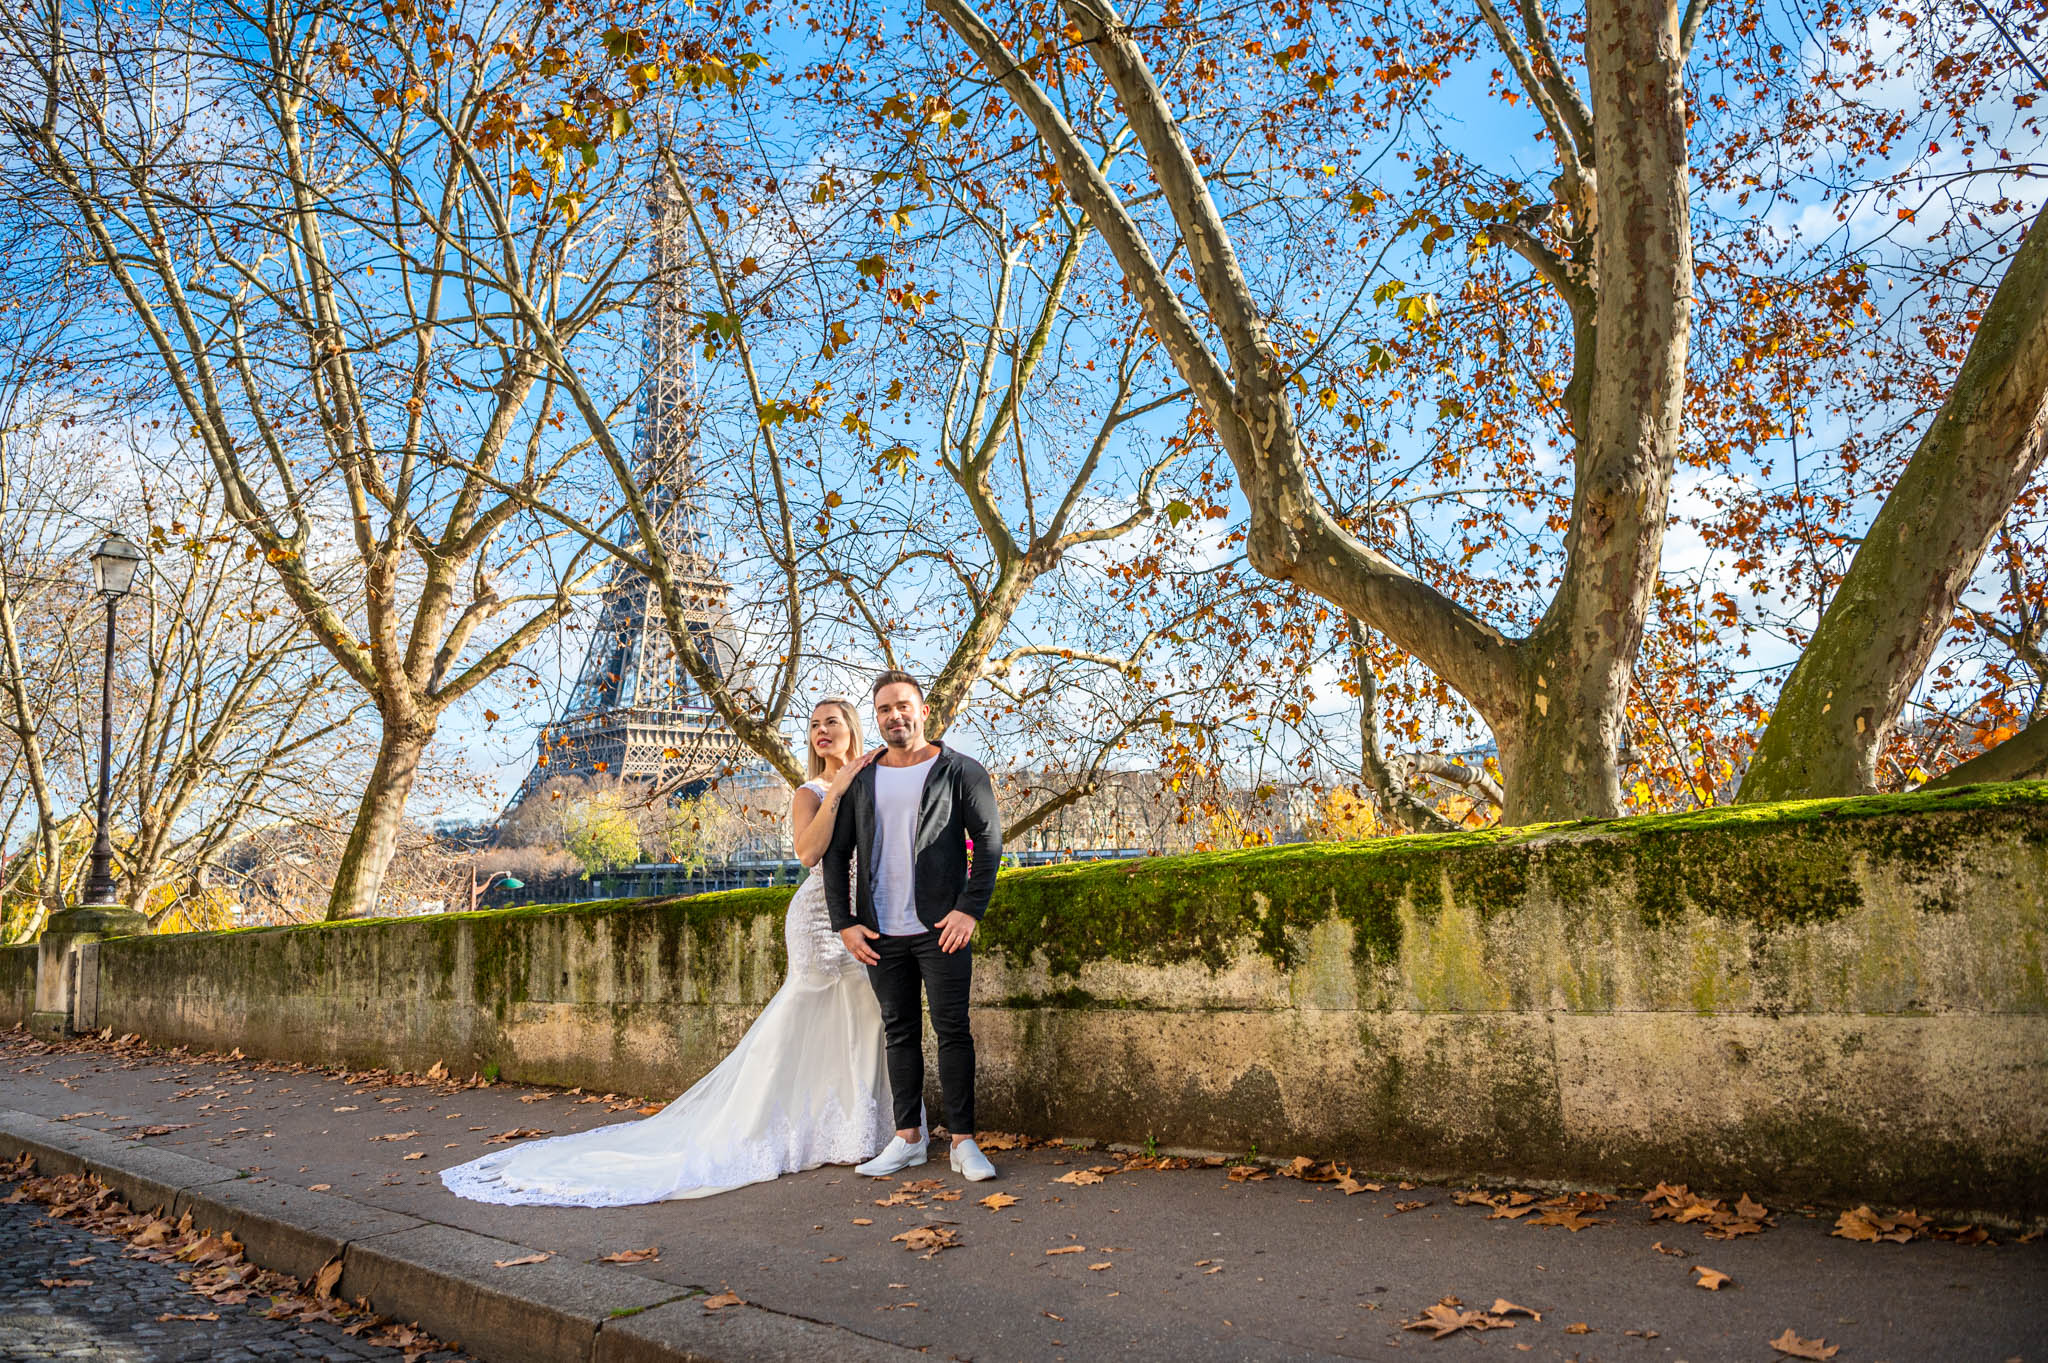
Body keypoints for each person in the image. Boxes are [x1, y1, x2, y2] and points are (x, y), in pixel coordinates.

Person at [439, 698, 890, 1206]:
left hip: (863, 919)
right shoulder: (809, 792)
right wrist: (840, 790)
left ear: (852, 728)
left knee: (859, 1017)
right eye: (813, 725)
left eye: (832, 722)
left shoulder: (878, 785)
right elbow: (808, 854)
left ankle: (849, 1130)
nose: (821, 731)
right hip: (816, 919)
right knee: (801, 1018)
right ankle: (759, 1127)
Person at [823, 670, 1003, 1183]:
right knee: (899, 1033)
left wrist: (970, 909)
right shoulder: (860, 777)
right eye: (883, 709)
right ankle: (908, 1140)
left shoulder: (961, 770)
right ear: (875, 718)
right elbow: (836, 856)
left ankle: (964, 1142)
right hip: (880, 930)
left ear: (924, 712)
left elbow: (988, 845)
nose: (894, 716)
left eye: (903, 706)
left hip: (940, 926)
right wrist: (846, 923)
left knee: (952, 1032)